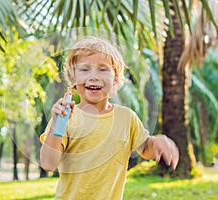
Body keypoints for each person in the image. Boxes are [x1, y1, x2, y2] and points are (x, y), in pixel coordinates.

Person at [40, 36, 179, 200]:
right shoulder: (65, 117)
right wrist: (57, 125)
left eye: (103, 69)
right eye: (84, 69)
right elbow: (49, 164)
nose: (94, 76)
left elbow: (145, 149)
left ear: (116, 78)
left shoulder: (127, 118)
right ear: (73, 77)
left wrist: (157, 141)